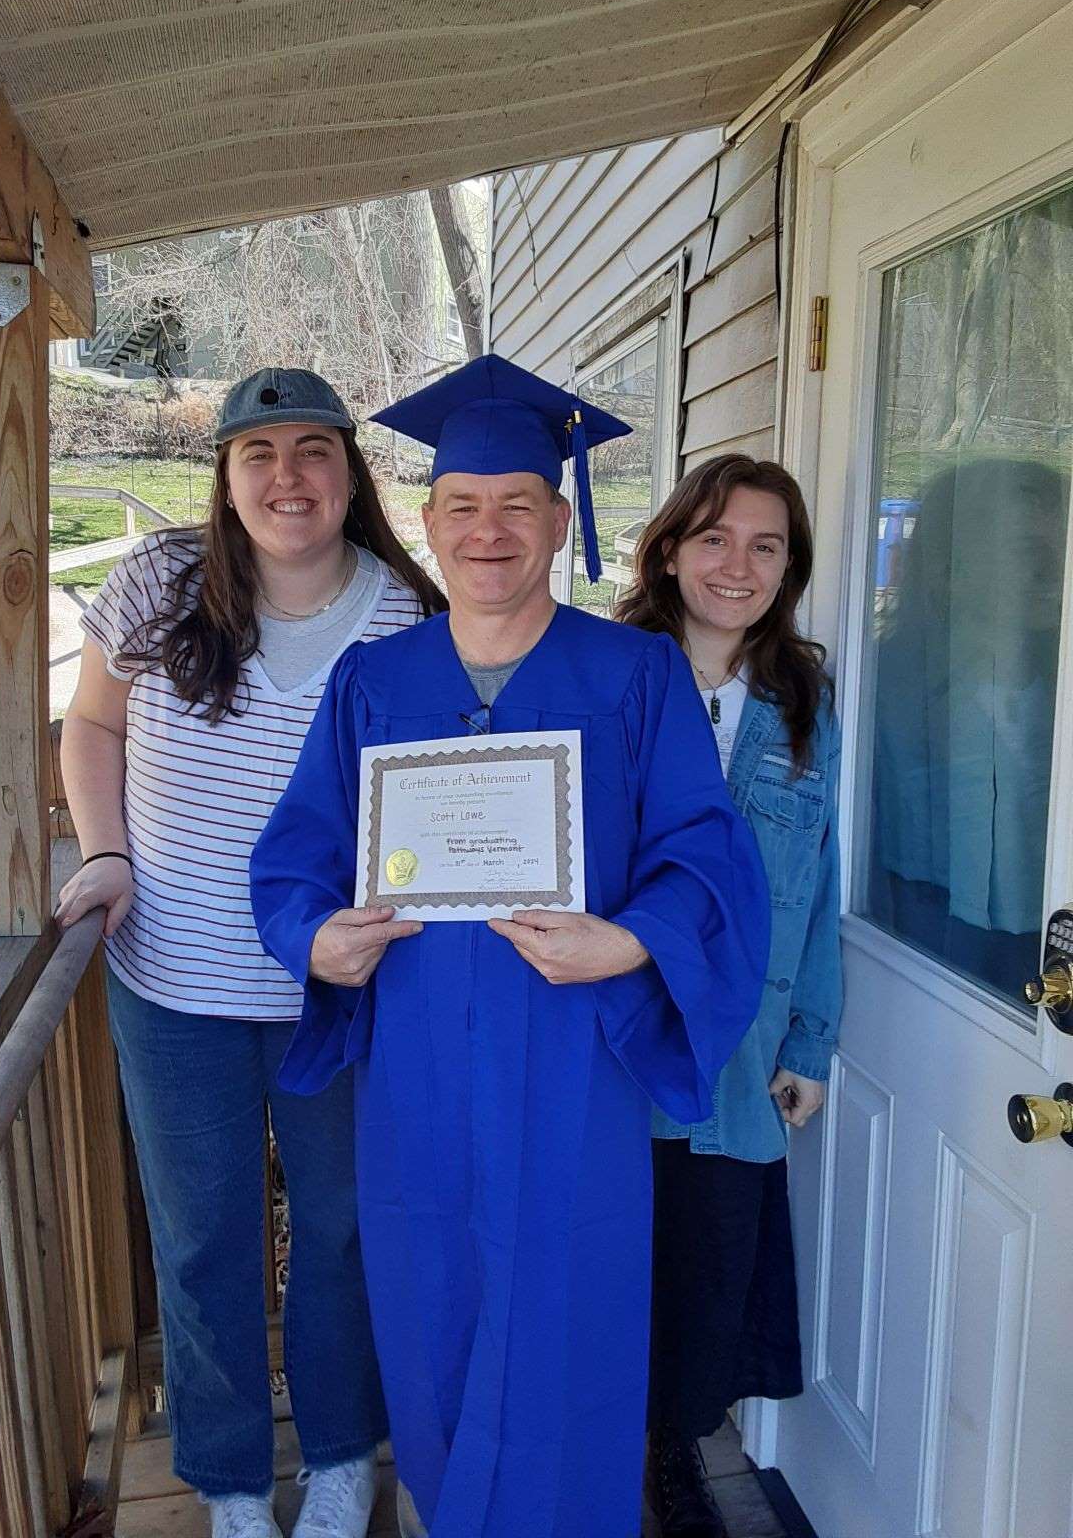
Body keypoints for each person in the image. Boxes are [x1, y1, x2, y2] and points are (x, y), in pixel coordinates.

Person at [249, 355, 770, 1538]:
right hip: (418, 1065)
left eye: (518, 505)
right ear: (429, 522)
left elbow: (708, 855)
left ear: (559, 519)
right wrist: (316, 939)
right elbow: (295, 858)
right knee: (431, 1302)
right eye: (464, 505)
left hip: (571, 1055)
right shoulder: (373, 680)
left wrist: (631, 944)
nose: (490, 531)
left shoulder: (634, 674)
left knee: (566, 1308)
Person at [54, 368, 445, 1538]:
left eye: (313, 451)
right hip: (172, 982)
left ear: (349, 473)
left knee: (339, 1224)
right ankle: (227, 1480)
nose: (289, 477)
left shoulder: (405, 614)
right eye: (258, 453)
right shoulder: (155, 587)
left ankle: (338, 1457)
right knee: (202, 1230)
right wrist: (106, 852)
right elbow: (93, 723)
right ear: (225, 478)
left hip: (338, 988)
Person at [616, 454, 843, 1538]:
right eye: (713, 538)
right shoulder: (606, 676)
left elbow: (822, 879)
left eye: (767, 544)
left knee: (707, 1283)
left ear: (790, 566)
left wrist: (812, 1039)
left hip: (739, 1059)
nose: (737, 564)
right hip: (616, 1039)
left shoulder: (804, 703)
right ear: (668, 548)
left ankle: (674, 1463)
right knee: (609, 1272)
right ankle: (595, 1462)